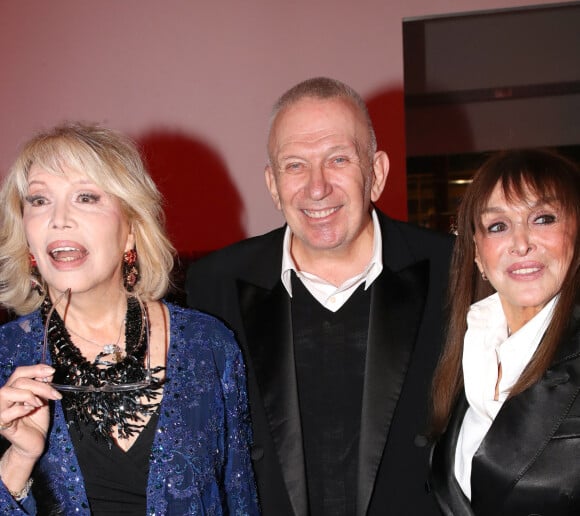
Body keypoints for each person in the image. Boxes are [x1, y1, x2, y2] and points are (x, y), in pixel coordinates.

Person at [186, 77, 454, 515]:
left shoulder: (454, 272)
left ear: (377, 173)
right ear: (272, 185)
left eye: (338, 159)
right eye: (295, 166)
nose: (317, 187)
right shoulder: (213, 286)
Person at [0, 124, 260, 515]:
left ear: (131, 231)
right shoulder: (6, 356)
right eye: (39, 200)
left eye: (85, 197)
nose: (59, 219)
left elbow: (241, 501)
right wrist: (19, 458)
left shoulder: (209, 345)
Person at [429, 149, 580, 515]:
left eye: (543, 219)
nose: (521, 243)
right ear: (478, 253)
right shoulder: (465, 351)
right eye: (498, 226)